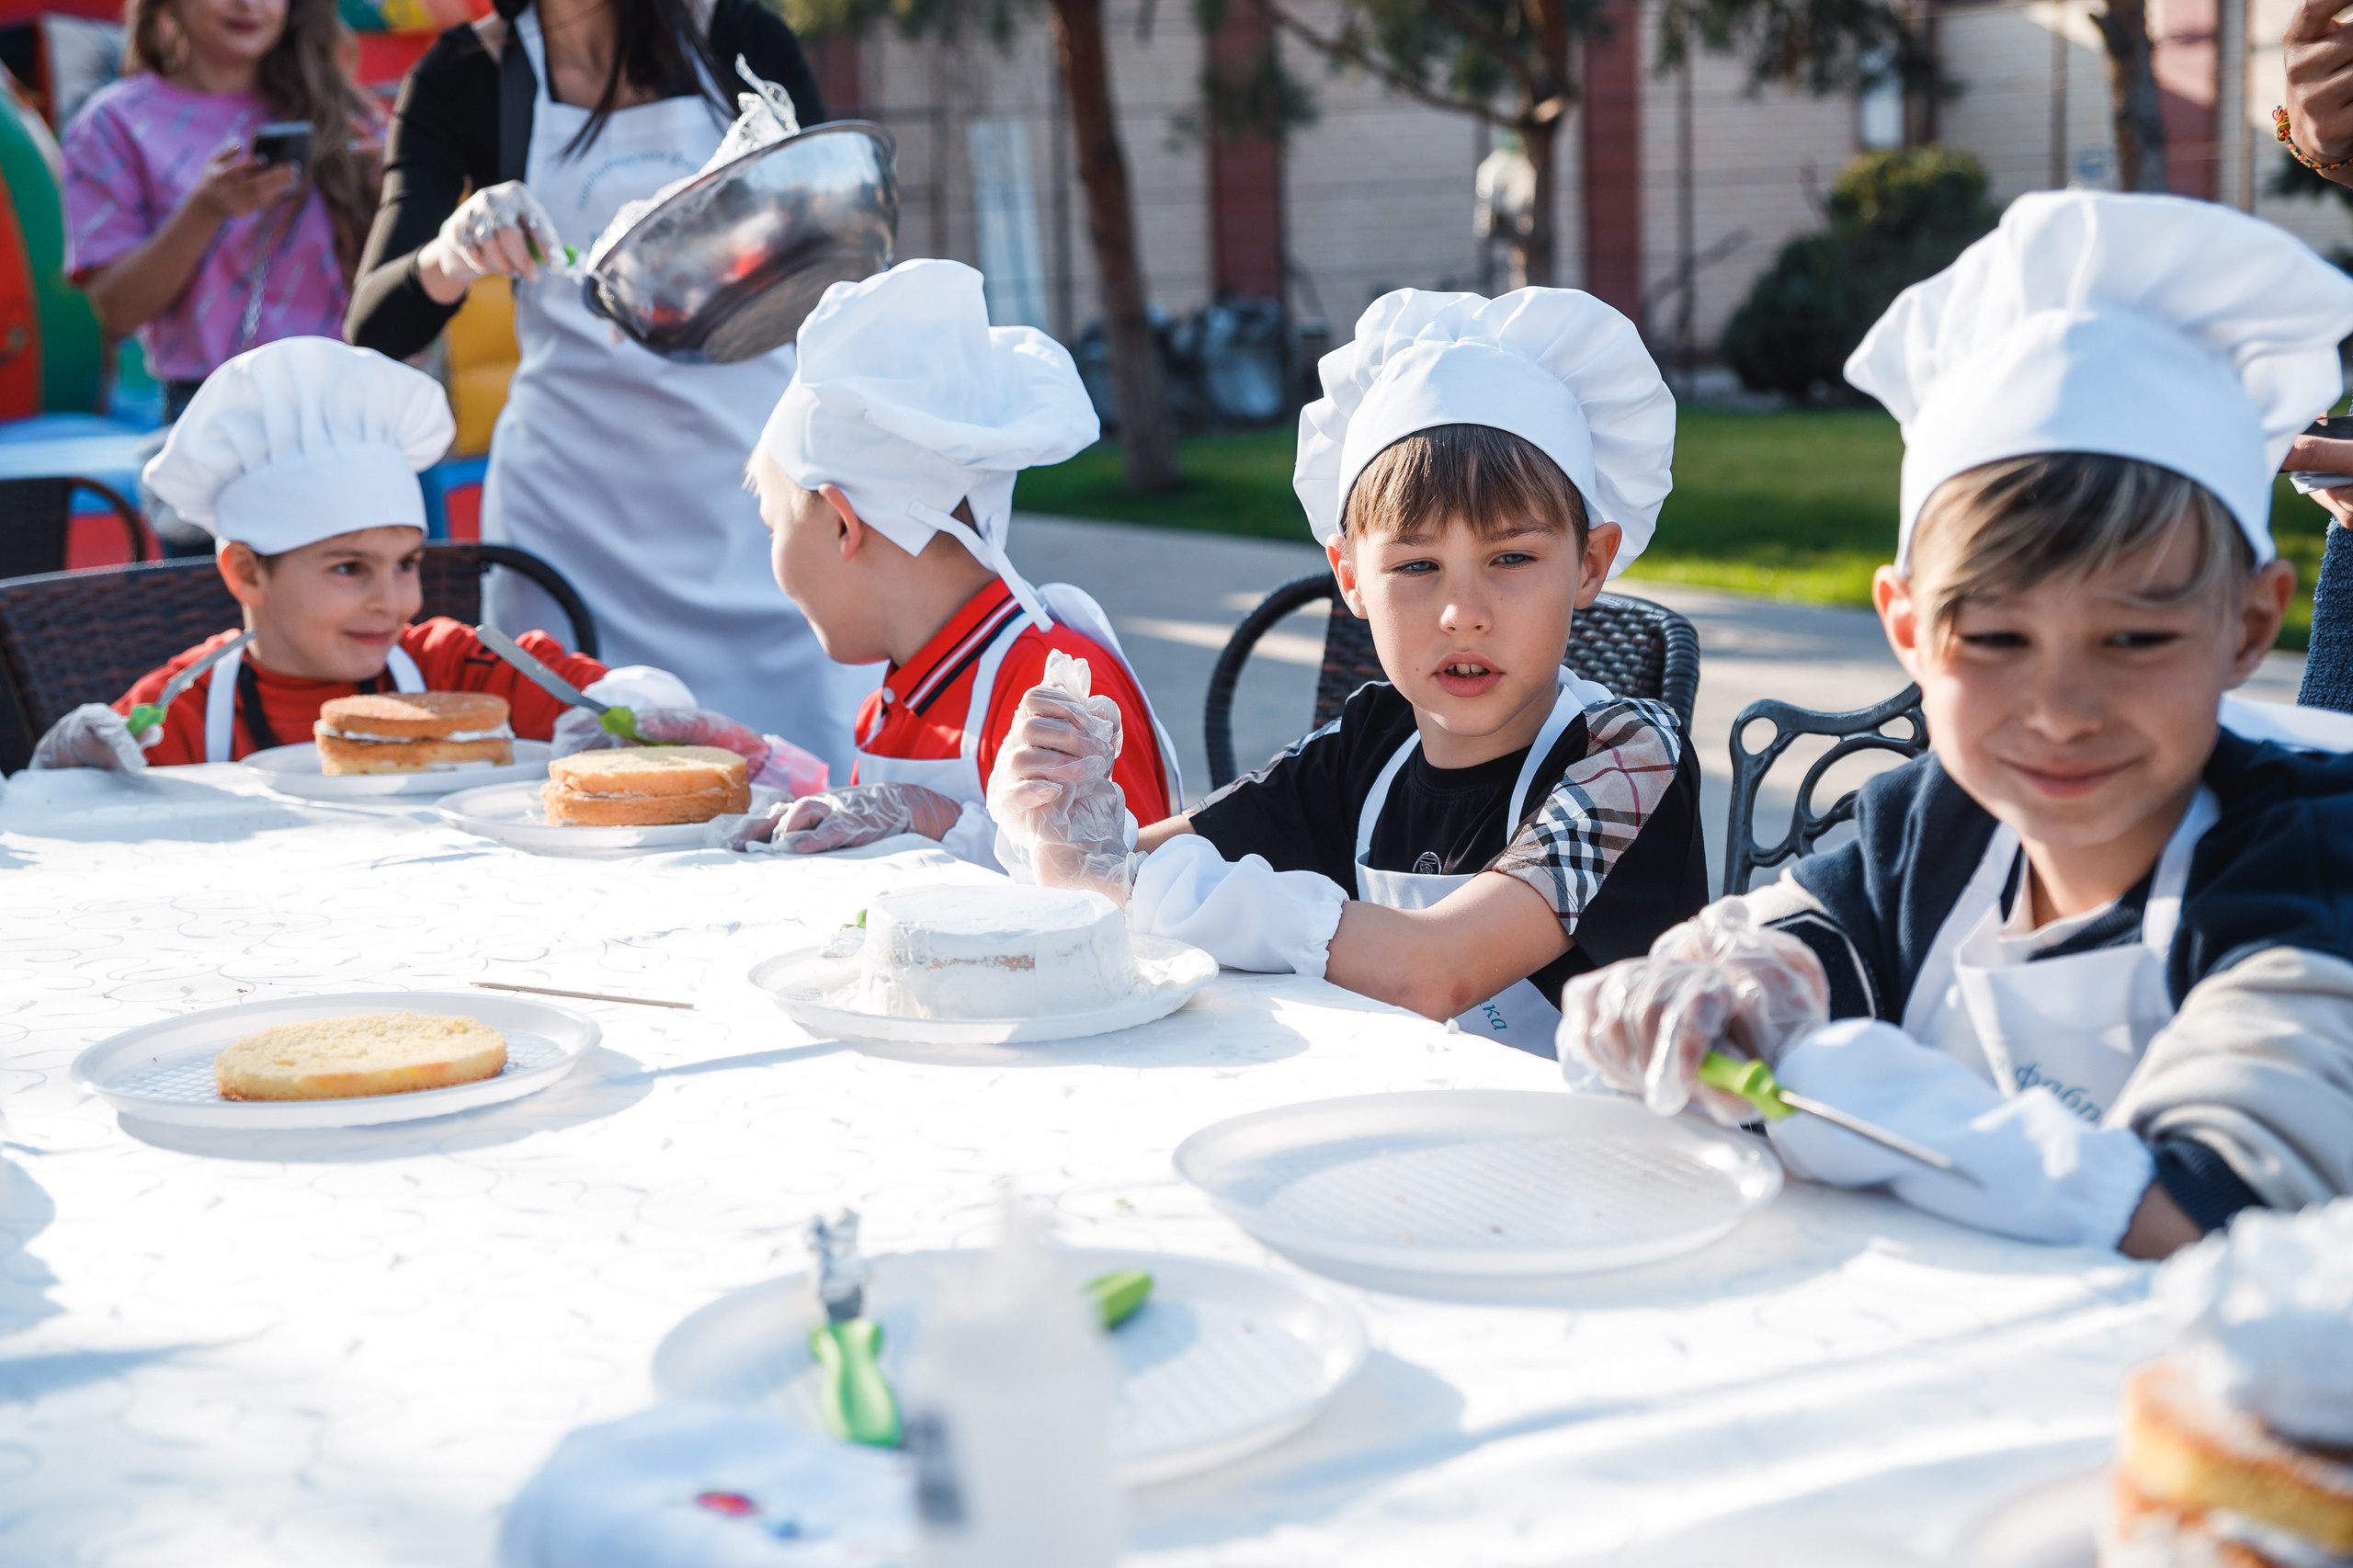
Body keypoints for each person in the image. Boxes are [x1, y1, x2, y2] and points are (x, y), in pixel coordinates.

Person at [1558, 191, 2353, 1259]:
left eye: (2134, 641)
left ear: (2249, 623)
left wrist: (1851, 1095)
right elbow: (1796, 948)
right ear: (1908, 628)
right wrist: (1714, 995)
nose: (2061, 713)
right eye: (1993, 640)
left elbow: (2201, 1211)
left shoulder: (2304, 866)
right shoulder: (1935, 828)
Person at [986, 287, 1709, 1057]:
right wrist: (1060, 818)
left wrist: (1125, 883)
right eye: (1418, 564)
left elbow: (1437, 969)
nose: (1463, 612)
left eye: (1512, 558)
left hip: (1609, 1159)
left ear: (1591, 563)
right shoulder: (1372, 741)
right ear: (1352, 578)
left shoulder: (1629, 760)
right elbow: (1128, 864)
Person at [343, 0, 866, 775]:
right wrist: (452, 254)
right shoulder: (464, 74)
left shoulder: (738, 40)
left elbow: (839, 262)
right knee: (582, 787)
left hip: (760, 513)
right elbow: (375, 326)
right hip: (571, 519)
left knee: (808, 784)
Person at [726, 259, 1181, 867]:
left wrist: (938, 821)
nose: (774, 559)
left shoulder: (1059, 696)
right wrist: (758, 767)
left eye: (774, 526)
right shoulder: (902, 690)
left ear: (842, 523)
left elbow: (1133, 894)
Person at [27, 337, 643, 769]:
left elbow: (613, 701)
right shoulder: (179, 713)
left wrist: (645, 706)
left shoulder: (456, 668)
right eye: (350, 568)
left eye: (407, 563)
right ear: (247, 572)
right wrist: (84, 773)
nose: (392, 602)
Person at [61, 0, 382, 553]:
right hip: (212, 417)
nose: (248, 5)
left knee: (373, 621)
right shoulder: (112, 124)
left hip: (350, 409)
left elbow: (394, 280)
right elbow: (117, 310)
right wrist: (205, 210)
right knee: (224, 632)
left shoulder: (340, 109)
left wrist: (388, 191)